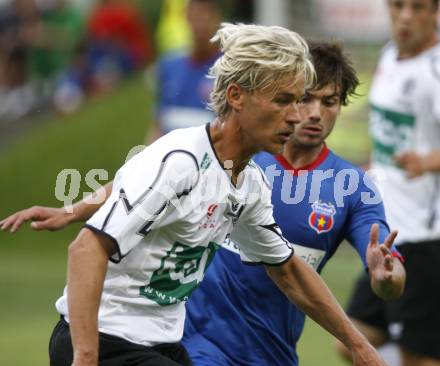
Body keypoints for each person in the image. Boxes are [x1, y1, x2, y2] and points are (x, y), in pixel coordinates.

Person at [0, 23, 389, 366]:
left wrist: (359, 346)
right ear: (236, 96)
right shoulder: (181, 160)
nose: (297, 116)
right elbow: (85, 250)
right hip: (108, 341)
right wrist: (86, 357)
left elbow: (286, 270)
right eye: (284, 101)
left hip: (161, 343)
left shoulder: (248, 182)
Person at [182, 41, 405, 366]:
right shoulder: (239, 153)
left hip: (271, 354)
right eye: (306, 98)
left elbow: (388, 273)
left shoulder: (353, 187)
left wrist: (387, 275)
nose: (316, 113)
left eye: (329, 102)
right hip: (193, 342)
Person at [335, 1, 440, 366]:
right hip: (387, 227)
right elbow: (389, 136)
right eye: (398, 6)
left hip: (425, 235)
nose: (406, 16)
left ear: (435, 13)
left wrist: (429, 161)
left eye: (419, 7)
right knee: (352, 339)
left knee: (418, 356)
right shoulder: (390, 54)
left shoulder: (435, 69)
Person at [153, 0, 222, 138]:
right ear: (187, 18)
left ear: (217, 18)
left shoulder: (228, 69)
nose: (201, 24)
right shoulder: (169, 65)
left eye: (206, 15)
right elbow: (159, 123)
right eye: (196, 16)